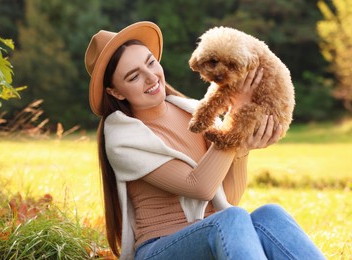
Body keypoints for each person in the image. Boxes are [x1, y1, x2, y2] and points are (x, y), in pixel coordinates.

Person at [84, 21, 325, 260]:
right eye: (134, 76)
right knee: (232, 218)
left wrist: (242, 148)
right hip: (159, 249)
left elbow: (225, 200)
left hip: (213, 233)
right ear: (115, 92)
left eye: (151, 63)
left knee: (270, 214)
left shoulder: (191, 111)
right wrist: (236, 116)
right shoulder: (123, 136)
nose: (151, 77)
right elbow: (200, 187)